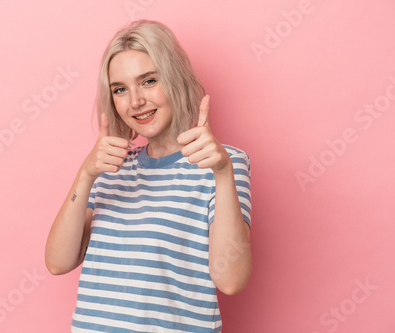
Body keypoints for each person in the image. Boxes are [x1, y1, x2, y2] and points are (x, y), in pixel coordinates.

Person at [45, 19, 252, 332]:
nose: (136, 101)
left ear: (175, 79)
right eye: (120, 89)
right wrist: (86, 174)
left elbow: (232, 280)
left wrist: (222, 174)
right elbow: (58, 262)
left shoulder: (225, 163)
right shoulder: (111, 167)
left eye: (149, 81)